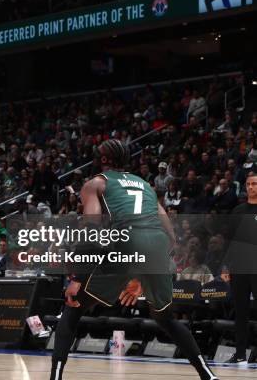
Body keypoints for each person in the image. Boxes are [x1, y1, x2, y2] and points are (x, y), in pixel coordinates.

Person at [50, 139, 218, 380]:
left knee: (72, 307)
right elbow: (170, 235)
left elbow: (90, 229)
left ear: (103, 160)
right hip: (157, 247)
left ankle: (55, 378)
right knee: (165, 318)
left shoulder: (96, 183)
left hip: (127, 243)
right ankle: (208, 375)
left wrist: (78, 277)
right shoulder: (145, 186)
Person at [224, 173, 257, 364]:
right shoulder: (238, 211)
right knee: (241, 312)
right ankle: (240, 353)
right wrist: (226, 264)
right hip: (239, 267)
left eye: (255, 184)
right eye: (249, 184)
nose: (252, 187)